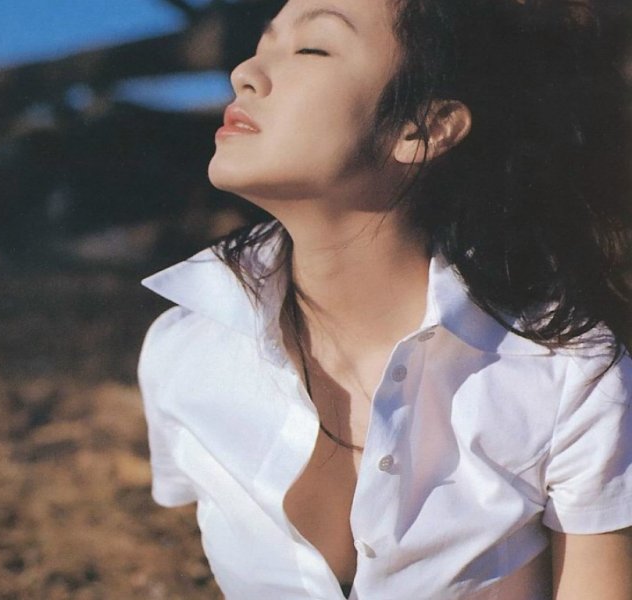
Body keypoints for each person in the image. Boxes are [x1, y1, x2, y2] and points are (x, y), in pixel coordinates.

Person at [138, 0, 632, 597]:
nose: (245, 72)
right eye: (263, 44)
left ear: (423, 129)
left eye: (312, 48)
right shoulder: (183, 352)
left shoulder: (565, 374)